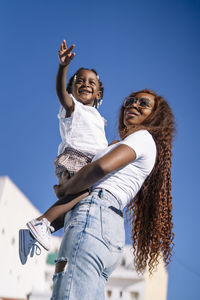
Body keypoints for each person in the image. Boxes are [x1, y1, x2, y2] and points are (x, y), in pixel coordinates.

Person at [49, 89, 175, 300]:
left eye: (143, 103)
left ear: (156, 116)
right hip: (104, 226)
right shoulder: (125, 144)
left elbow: (99, 169)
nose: (133, 105)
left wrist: (64, 189)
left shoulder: (142, 137)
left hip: (94, 219)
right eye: (130, 101)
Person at [19, 40, 108, 264]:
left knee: (76, 202)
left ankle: (42, 227)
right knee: (84, 193)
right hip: (75, 158)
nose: (86, 84)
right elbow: (60, 92)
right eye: (80, 81)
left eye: (91, 82)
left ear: (99, 93)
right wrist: (63, 67)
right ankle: (42, 222)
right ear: (71, 89)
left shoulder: (97, 117)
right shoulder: (73, 108)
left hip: (88, 161)